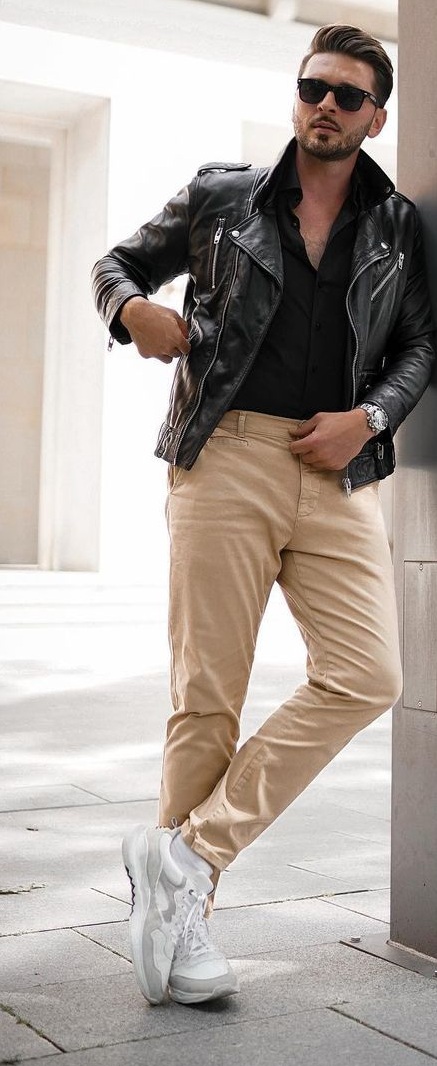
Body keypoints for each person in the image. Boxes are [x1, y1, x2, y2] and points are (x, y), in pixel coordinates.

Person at [92, 23, 435, 1007]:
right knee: (207, 695)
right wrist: (130, 313)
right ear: (297, 95)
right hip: (225, 453)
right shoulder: (220, 196)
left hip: (332, 467)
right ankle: (184, 915)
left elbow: (416, 345)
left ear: (375, 116)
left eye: (346, 94)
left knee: (368, 671)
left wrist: (369, 415)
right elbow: (115, 264)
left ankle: (184, 856)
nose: (324, 104)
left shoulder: (395, 225)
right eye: (311, 86)